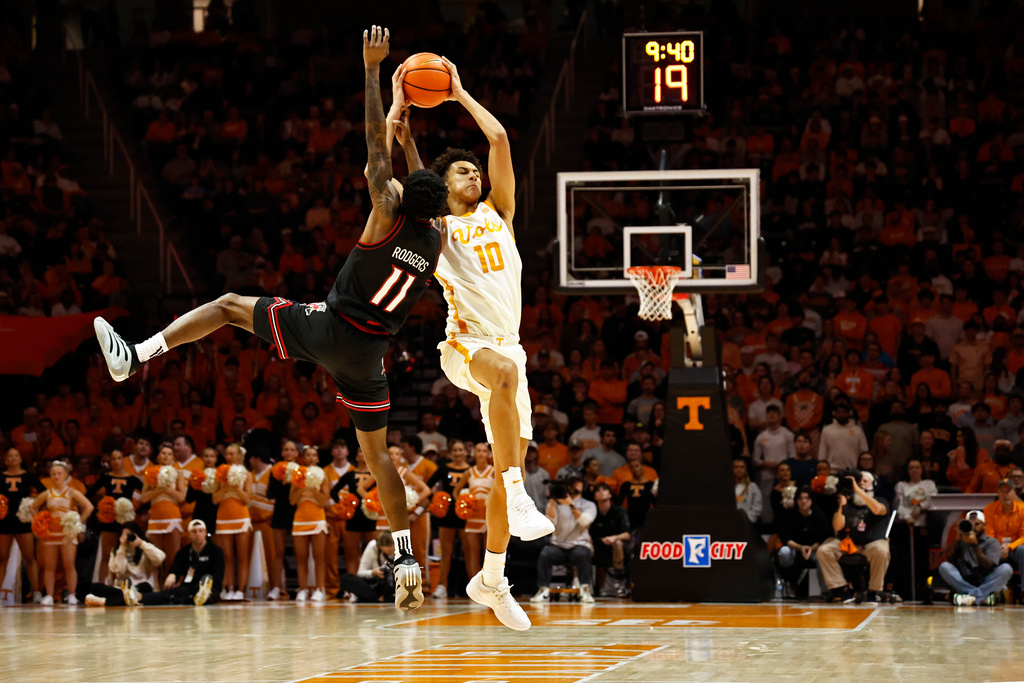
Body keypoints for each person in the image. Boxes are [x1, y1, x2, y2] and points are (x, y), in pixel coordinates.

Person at [92, 25, 451, 612]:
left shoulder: (386, 208)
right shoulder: (435, 239)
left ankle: (138, 355)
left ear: (401, 193)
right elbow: (421, 182)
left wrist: (371, 75)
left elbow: (373, 152)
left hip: (331, 326)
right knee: (380, 455)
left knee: (231, 306)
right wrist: (407, 129)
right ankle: (406, 553)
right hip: (369, 355)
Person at [397, 55, 556, 629]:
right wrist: (404, 132)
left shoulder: (501, 212)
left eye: (474, 170)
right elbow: (417, 183)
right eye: (461, 171)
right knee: (506, 396)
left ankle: (491, 578)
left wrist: (459, 91)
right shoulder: (438, 226)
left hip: (508, 347)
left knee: (499, 466)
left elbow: (499, 136)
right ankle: (518, 495)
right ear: (444, 186)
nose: (473, 174)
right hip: (465, 346)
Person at [816, 470, 891, 603]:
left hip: (871, 544)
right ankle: (843, 589)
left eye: (865, 481)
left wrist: (859, 490)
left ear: (873, 484)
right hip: (848, 543)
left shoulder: (881, 500)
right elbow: (838, 526)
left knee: (882, 550)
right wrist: (841, 506)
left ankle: (873, 591)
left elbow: (878, 510)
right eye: (858, 481)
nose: (860, 484)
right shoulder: (848, 502)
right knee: (824, 550)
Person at [31, 460, 94, 605]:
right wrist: (39, 521)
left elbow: (89, 506)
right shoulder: (47, 493)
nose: (56, 476)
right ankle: (49, 595)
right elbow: (33, 507)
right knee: (50, 566)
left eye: (59, 473)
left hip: (67, 534)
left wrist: (78, 522)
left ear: (65, 475)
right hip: (51, 534)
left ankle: (72, 594)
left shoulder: (72, 492)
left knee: (69, 565)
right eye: (53, 474)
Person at [125, 519, 225, 606]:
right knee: (169, 594)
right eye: (194, 531)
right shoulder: (184, 552)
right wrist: (172, 575)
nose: (198, 534)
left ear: (205, 532)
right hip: (189, 585)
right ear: (189, 534)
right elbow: (175, 569)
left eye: (200, 531)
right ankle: (137, 596)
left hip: (209, 586)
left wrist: (206, 582)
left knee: (210, 595)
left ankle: (200, 597)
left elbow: (219, 575)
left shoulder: (215, 551)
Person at [531, 477, 597, 604]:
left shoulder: (589, 504)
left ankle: (585, 589)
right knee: (546, 554)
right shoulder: (554, 504)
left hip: (579, 544)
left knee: (583, 554)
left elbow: (585, 522)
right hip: (558, 545)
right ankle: (543, 589)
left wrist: (571, 504)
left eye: (577, 485)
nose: (574, 487)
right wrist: (552, 500)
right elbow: (551, 523)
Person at [88, 448, 143, 584]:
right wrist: (101, 508)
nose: (117, 461)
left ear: (123, 460)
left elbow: (147, 496)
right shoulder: (106, 478)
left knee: (123, 555)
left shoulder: (132, 479)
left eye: (119, 458)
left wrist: (137, 510)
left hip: (125, 523)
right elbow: (89, 494)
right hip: (109, 520)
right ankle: (101, 586)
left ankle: (120, 585)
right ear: (110, 461)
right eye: (113, 458)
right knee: (106, 555)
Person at [938, 510, 1012, 606]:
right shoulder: (961, 540)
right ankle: (983, 597)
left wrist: (975, 545)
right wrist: (957, 539)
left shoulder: (992, 542)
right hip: (965, 579)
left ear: (984, 526)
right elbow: (948, 556)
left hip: (985, 579)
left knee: (1006, 569)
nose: (974, 527)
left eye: (977, 524)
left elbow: (988, 565)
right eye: (971, 524)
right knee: (944, 566)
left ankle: (968, 597)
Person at [428, 439, 472, 599]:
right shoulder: (443, 468)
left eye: (461, 450)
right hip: (447, 516)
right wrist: (437, 501)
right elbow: (428, 486)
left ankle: (472, 588)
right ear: (450, 453)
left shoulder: (471, 470)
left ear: (466, 452)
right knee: (446, 552)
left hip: (467, 516)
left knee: (470, 552)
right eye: (455, 450)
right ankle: (442, 586)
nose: (458, 453)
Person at [83, 524, 165, 606]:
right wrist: (122, 547)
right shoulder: (117, 551)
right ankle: (129, 597)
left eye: (130, 534)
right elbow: (119, 570)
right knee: (96, 587)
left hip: (140, 588)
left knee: (145, 586)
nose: (127, 537)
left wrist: (141, 543)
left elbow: (160, 558)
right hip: (122, 589)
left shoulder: (145, 549)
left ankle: (105, 601)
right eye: (124, 534)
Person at [140, 442, 187, 579]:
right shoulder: (151, 473)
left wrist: (167, 489)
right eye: (163, 453)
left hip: (172, 516)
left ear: (173, 458)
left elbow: (181, 497)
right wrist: (158, 489)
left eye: (169, 454)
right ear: (158, 456)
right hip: (155, 517)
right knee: (156, 557)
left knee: (173, 556)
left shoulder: (178, 473)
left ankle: (173, 587)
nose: (166, 456)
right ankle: (157, 587)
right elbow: (144, 497)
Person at [0, 448, 42, 603]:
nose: (12, 458)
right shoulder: (1, 476)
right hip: (3, 522)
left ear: (20, 459)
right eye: (9, 456)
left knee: (29, 557)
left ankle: (36, 591)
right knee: (2, 558)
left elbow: (43, 492)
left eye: (16, 455)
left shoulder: (28, 476)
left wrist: (32, 505)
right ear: (5, 459)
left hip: (22, 522)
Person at [213, 442, 253, 601]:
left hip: (241, 517)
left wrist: (236, 487)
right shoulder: (219, 473)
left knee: (242, 556)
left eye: (232, 454)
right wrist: (224, 486)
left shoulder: (247, 475)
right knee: (227, 556)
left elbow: (247, 499)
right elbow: (215, 499)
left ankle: (240, 590)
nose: (228, 456)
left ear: (239, 456)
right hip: (223, 518)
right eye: (227, 454)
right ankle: (230, 588)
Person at [290, 447, 331, 602]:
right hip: (300, 518)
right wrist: (302, 485)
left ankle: (319, 589)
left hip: (317, 519)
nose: (311, 457)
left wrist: (314, 490)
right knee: (301, 557)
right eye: (308, 455)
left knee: (319, 557)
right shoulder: (297, 474)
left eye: (314, 455)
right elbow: (292, 500)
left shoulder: (323, 475)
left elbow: (324, 501)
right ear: (303, 458)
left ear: (318, 459)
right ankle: (303, 589)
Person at [776, 486, 832, 597]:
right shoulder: (790, 515)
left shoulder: (819, 515)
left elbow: (823, 538)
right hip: (795, 548)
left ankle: (826, 591)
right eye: (800, 499)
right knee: (784, 552)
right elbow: (786, 538)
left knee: (823, 554)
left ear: (811, 500)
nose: (803, 501)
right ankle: (789, 584)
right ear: (796, 501)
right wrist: (800, 548)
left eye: (807, 498)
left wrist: (811, 548)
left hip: (813, 549)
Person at [331, 447, 378, 577]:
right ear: (356, 456)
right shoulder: (349, 475)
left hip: (371, 516)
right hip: (353, 517)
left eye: (365, 452)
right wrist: (342, 504)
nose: (362, 454)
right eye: (359, 452)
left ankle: (374, 584)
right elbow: (333, 491)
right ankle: (352, 587)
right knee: (351, 555)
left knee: (375, 552)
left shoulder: (376, 474)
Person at [982, 479, 1024, 602]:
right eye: (1002, 491)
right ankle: (994, 591)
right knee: (985, 549)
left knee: (1023, 550)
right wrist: (998, 548)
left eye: (1008, 491)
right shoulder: (989, 509)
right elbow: (989, 535)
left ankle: (1023, 590)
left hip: (1015, 549)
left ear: (1014, 493)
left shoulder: (1022, 509)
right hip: (997, 548)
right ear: (998, 493)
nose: (1006, 495)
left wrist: (1010, 547)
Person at [268, 439, 299, 598]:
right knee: (278, 552)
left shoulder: (301, 470)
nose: (288, 452)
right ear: (282, 453)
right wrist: (280, 481)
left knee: (300, 552)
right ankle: (275, 587)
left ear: (296, 453)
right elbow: (270, 494)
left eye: (291, 450)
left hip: (297, 513)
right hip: (280, 512)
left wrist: (293, 481)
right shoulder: (275, 470)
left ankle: (304, 587)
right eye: (286, 450)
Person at [589, 482, 631, 597]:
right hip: (598, 544)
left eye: (604, 489)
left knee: (617, 544)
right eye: (598, 490)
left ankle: (620, 585)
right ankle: (595, 588)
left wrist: (614, 537)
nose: (601, 492)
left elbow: (627, 534)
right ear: (595, 497)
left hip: (616, 544)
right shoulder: (592, 512)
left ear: (610, 495)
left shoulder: (619, 511)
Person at [339, 530, 395, 603]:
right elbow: (360, 573)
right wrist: (373, 572)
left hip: (391, 584)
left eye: (390, 553)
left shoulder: (400, 548)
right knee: (345, 579)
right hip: (375, 583)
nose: (387, 555)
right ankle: (379, 598)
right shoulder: (372, 546)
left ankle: (368, 597)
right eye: (384, 553)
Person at [734, 458, 762, 524]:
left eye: (742, 467)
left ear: (746, 470)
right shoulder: (729, 487)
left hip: (747, 521)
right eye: (736, 467)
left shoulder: (752, 487)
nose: (739, 469)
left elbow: (757, 506)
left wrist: (748, 518)